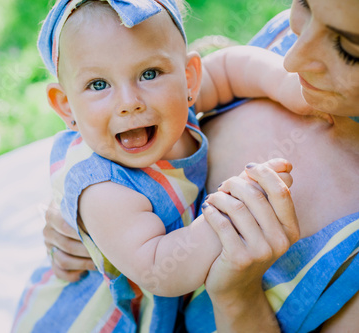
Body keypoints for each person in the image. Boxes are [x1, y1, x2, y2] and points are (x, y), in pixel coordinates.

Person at [42, 0, 359, 332]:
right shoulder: (105, 186)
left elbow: (222, 72)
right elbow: (158, 270)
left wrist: (236, 290)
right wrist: (228, 218)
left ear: (188, 78)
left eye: (349, 49)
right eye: (305, 5)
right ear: (66, 106)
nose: (129, 103)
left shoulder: (170, 100)